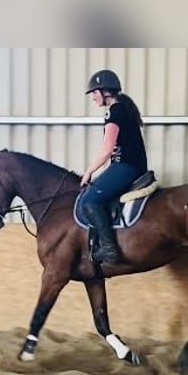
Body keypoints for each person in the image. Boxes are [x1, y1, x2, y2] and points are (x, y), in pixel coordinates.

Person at [79, 69, 148, 264]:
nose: (93, 98)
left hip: (127, 166)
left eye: (94, 92)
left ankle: (109, 250)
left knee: (89, 200)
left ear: (105, 91)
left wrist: (88, 172)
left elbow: (107, 150)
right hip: (130, 165)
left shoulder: (114, 112)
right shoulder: (123, 108)